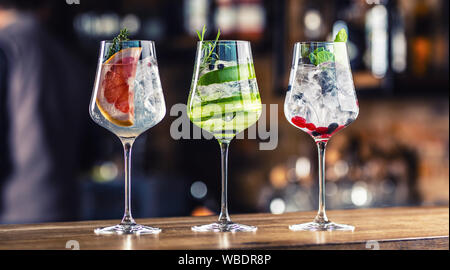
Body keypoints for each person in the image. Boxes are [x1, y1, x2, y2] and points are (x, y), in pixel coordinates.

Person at [0, 1, 93, 223]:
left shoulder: (6, 47)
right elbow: (90, 152)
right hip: (66, 212)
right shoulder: (71, 56)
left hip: (10, 217)